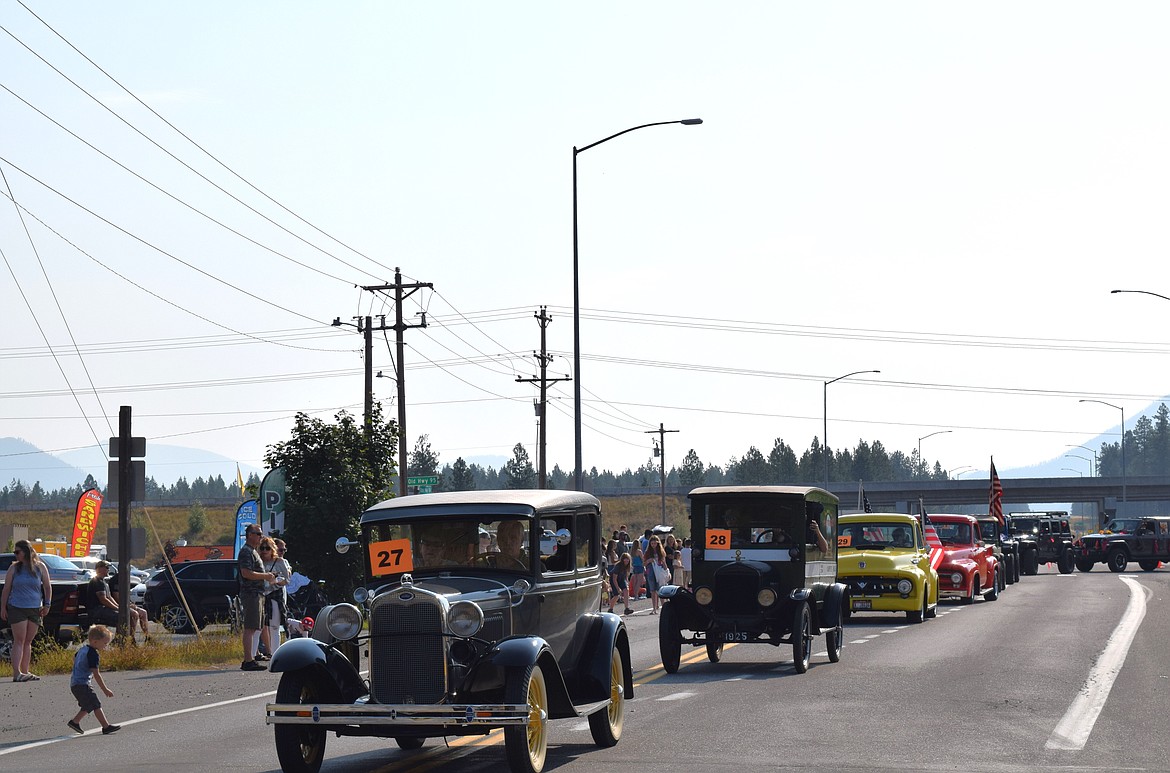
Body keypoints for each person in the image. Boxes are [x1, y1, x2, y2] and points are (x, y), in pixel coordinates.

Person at [1, 539, 52, 682]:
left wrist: (47, 604)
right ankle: (16, 672)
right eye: (15, 552)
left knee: (28, 641)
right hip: (17, 607)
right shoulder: (14, 568)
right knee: (19, 640)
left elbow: (47, 587)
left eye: (18, 552)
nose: (16, 555)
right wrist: (3, 607)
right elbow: (6, 588)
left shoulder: (40, 567)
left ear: (26, 552)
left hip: (35, 607)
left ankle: (25, 670)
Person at [67, 624, 119, 735]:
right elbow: (96, 674)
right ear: (95, 641)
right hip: (82, 684)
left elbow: (75, 658)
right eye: (105, 643)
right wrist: (105, 689)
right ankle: (106, 727)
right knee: (95, 704)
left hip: (74, 683)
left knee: (88, 704)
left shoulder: (83, 649)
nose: (106, 646)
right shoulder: (93, 654)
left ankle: (75, 722)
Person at [238, 525, 277, 671]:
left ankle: (254, 655)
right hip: (251, 593)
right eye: (257, 534)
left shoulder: (253, 552)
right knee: (250, 627)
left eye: (261, 533)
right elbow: (246, 573)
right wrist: (266, 576)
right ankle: (248, 660)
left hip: (258, 593)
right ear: (249, 535)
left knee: (256, 627)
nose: (260, 536)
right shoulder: (246, 552)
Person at [258, 537, 290, 660]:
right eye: (262, 548)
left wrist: (275, 581)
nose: (265, 551)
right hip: (262, 596)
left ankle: (276, 654)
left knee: (275, 626)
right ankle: (267, 652)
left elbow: (287, 578)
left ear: (272, 549)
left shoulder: (280, 561)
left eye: (267, 548)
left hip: (276, 594)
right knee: (261, 626)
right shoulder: (259, 562)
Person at [643, 535, 668, 615]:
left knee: (660, 590)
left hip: (659, 572)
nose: (653, 545)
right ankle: (654, 608)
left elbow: (664, 563)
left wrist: (665, 568)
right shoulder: (647, 552)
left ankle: (663, 607)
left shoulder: (661, 552)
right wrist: (649, 561)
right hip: (651, 571)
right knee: (653, 590)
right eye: (652, 543)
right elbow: (644, 563)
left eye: (655, 543)